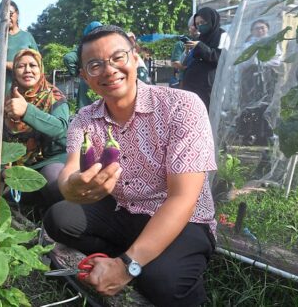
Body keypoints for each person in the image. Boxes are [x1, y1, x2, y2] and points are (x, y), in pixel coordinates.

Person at [43, 25, 217, 307]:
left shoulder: (182, 106)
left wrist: (126, 267)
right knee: (59, 218)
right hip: (123, 209)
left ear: (136, 58)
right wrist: (72, 187)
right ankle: (136, 254)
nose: (109, 70)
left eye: (118, 57)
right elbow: (69, 171)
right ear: (85, 76)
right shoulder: (85, 119)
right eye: (95, 65)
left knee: (162, 282)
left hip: (182, 217)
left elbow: (183, 198)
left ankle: (140, 263)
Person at [3, 49, 69, 212]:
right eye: (21, 66)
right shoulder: (8, 99)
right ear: (15, 72)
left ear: (41, 70)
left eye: (33, 65)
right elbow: (3, 139)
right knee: (7, 204)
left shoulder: (54, 96)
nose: (27, 70)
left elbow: (61, 129)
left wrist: (27, 111)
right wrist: (4, 167)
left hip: (52, 161)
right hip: (22, 168)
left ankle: (61, 223)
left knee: (53, 182)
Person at [0, 1, 38, 123]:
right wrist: (1, 63)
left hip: (22, 89)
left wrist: (12, 66)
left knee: (24, 126)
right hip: (0, 90)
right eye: (3, 14)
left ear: (17, 14)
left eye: (10, 13)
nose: (7, 17)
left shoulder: (27, 37)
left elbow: (37, 63)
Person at [182, 7, 230, 110]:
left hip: (208, 87)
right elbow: (187, 63)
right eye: (197, 24)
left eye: (203, 22)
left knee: (206, 115)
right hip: (192, 85)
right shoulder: (200, 38)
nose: (200, 26)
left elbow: (220, 58)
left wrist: (199, 46)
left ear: (211, 20)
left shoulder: (223, 36)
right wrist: (188, 51)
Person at [63, 21, 102, 109]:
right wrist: (77, 73)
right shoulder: (85, 48)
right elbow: (68, 58)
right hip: (94, 82)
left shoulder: (84, 47)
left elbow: (68, 58)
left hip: (90, 81)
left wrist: (76, 73)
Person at [170, 16, 198, 89]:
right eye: (194, 25)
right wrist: (187, 68)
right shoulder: (181, 44)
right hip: (184, 80)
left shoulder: (204, 43)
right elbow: (175, 63)